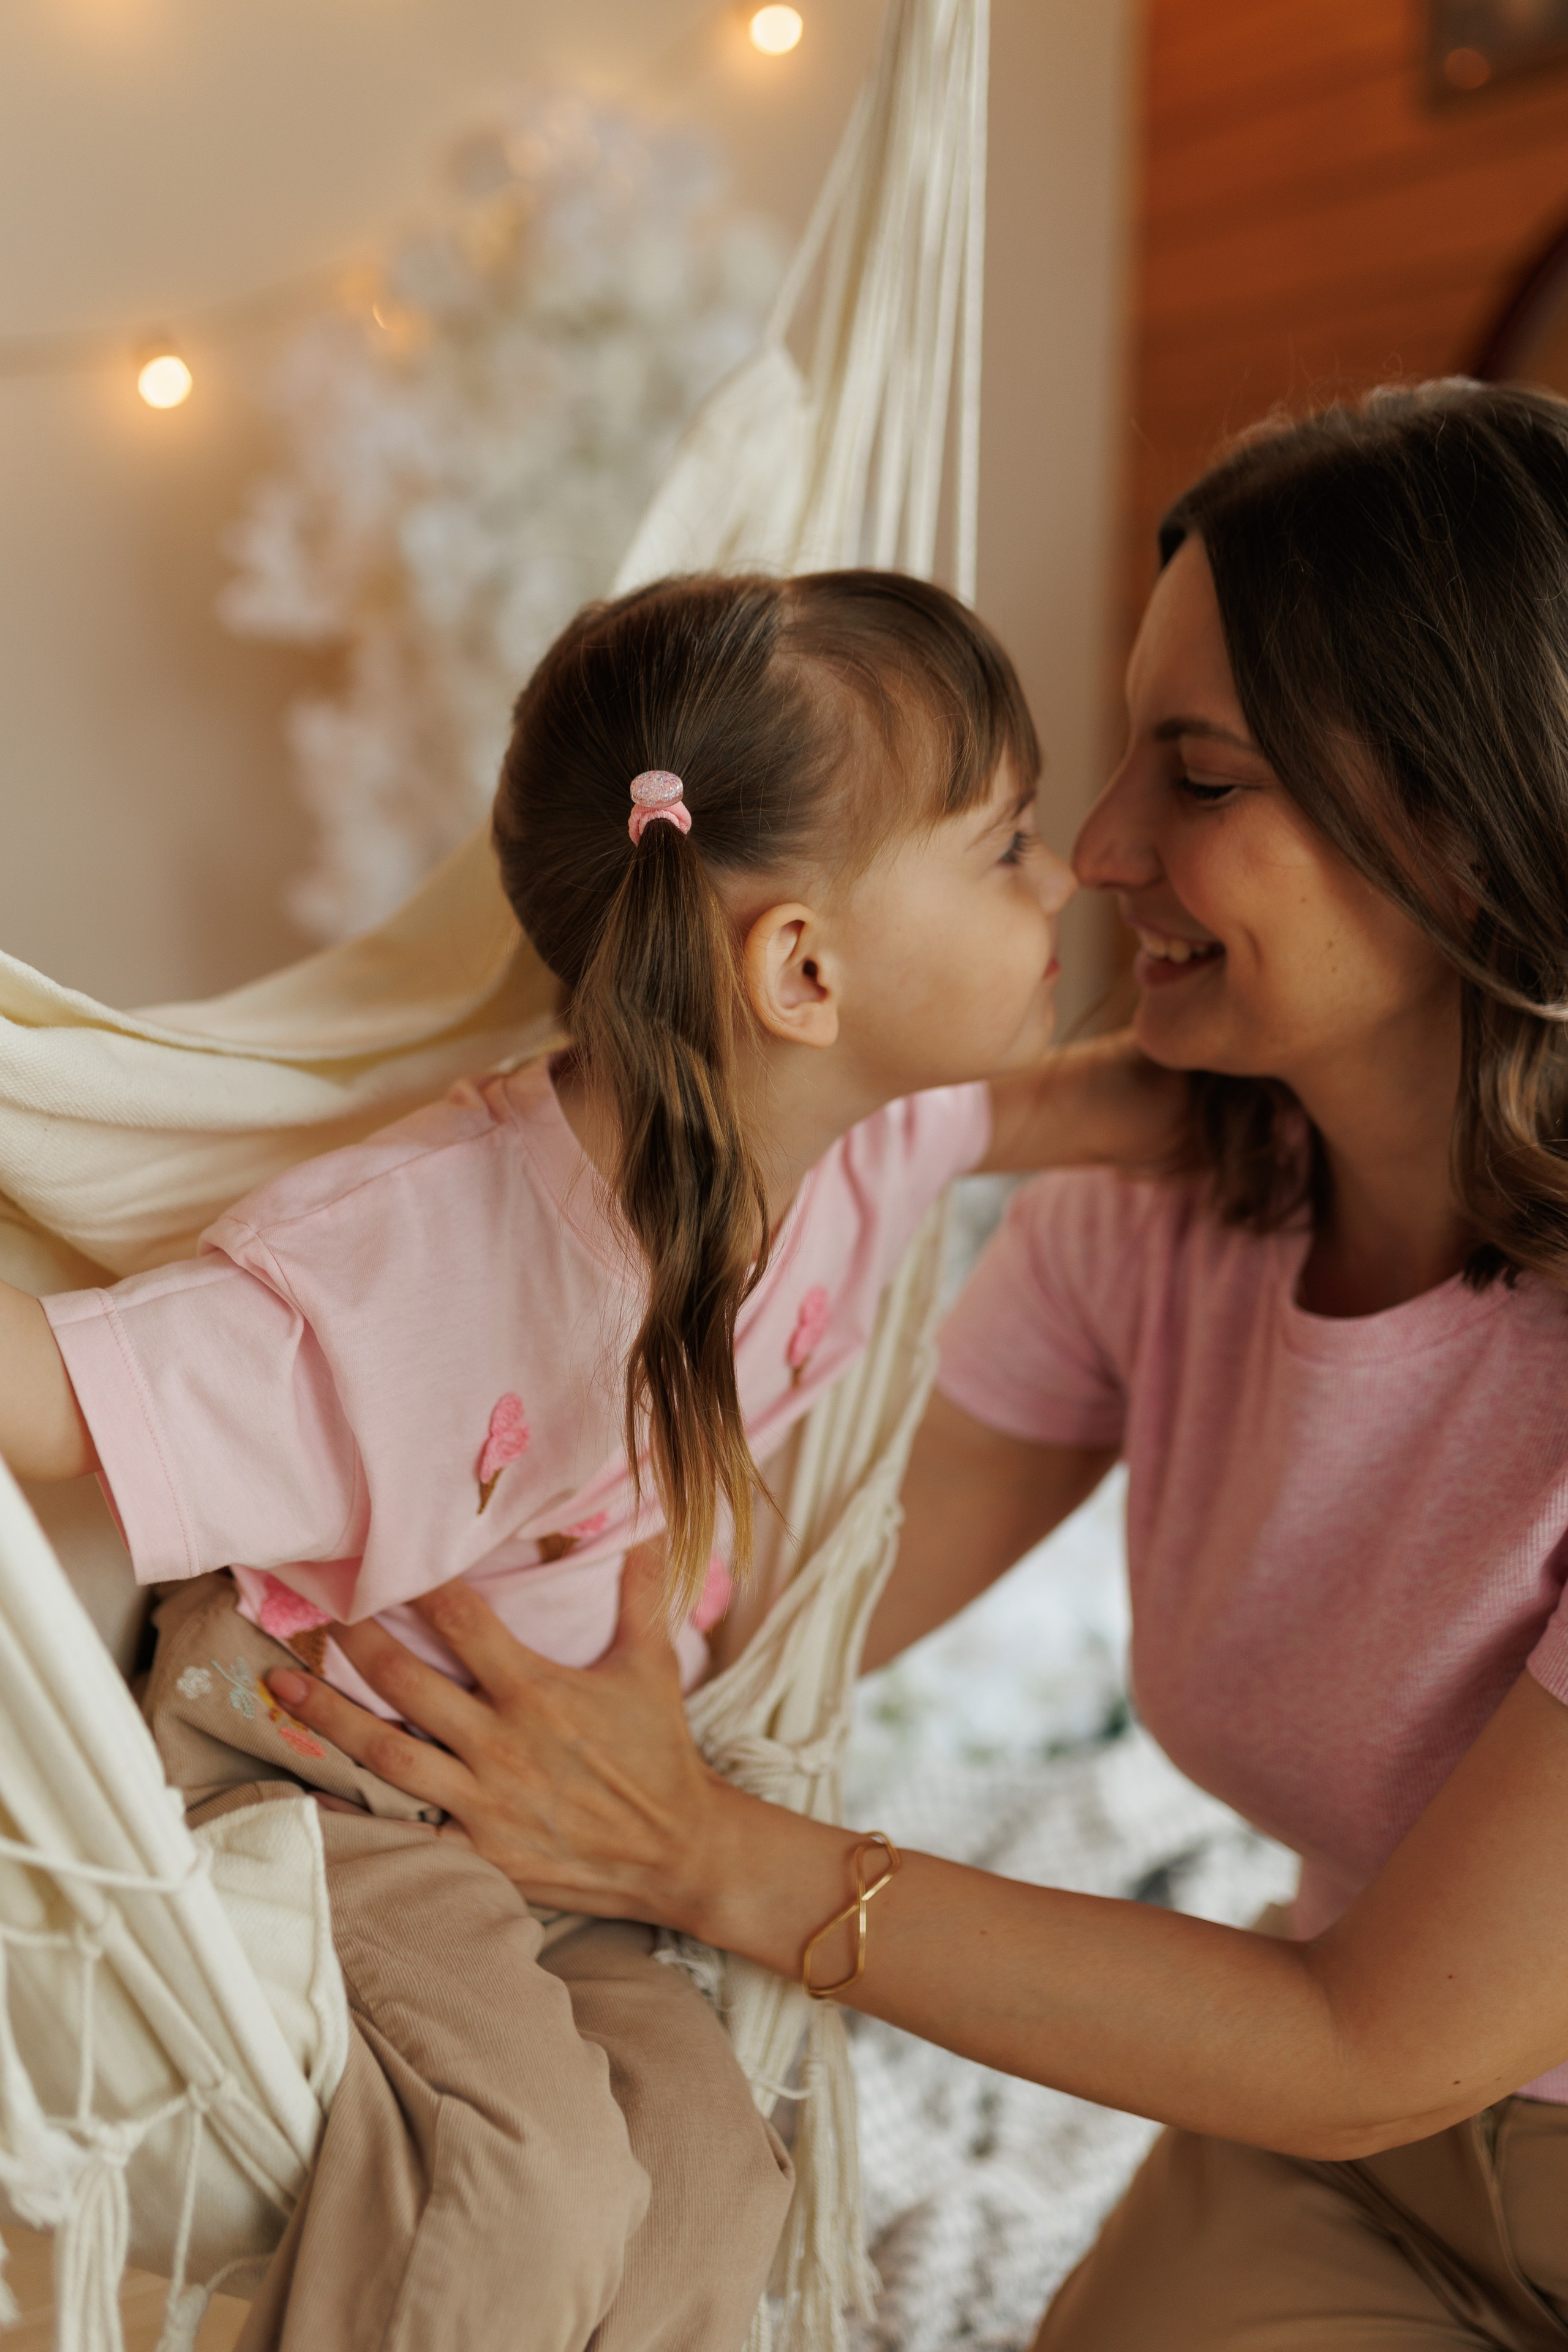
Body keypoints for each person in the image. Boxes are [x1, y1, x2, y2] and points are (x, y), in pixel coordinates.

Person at [271, 383, 1568, 2351]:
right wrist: (389, 1624)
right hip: (1366, 2177)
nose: (1107, 854)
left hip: (1372, 2080)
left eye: (1200, 778)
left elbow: (1375, 2037)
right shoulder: (1185, 1192)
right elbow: (769, 1599)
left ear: (1470, 841)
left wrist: (710, 1857)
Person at [0, 568, 1171, 2352]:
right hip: (334, 1777)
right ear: (803, 968)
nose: (1071, 873)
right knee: (535, 2181)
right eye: (1006, 846)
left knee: (716, 2185)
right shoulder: (432, 1255)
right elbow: (72, 1406)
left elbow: (1067, 1104)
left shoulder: (870, 1136)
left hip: (571, 1816)